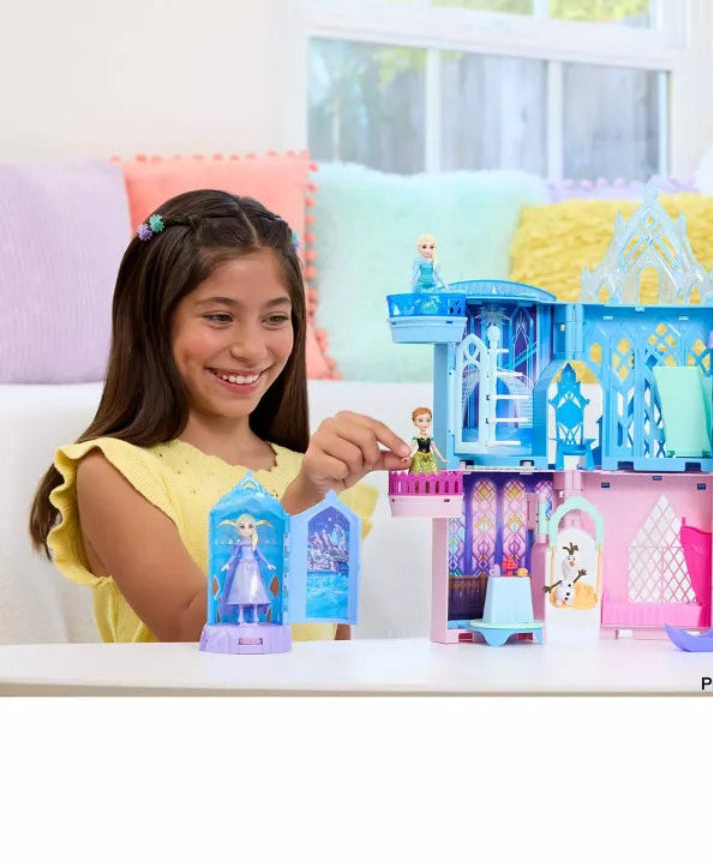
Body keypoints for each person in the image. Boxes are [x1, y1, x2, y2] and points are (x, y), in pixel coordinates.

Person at [28, 189, 413, 644]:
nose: (251, 349)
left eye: (274, 319)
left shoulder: (310, 477)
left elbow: (330, 646)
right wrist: (304, 501)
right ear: (152, 324)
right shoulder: (115, 473)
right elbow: (194, 633)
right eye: (218, 317)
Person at [410, 406, 447, 475]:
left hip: (429, 457)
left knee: (433, 473)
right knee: (418, 473)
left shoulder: (430, 437)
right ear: (415, 422)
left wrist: (441, 458)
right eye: (420, 420)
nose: (425, 423)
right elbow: (412, 447)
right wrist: (407, 456)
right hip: (419, 457)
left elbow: (434, 448)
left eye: (428, 420)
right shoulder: (416, 436)